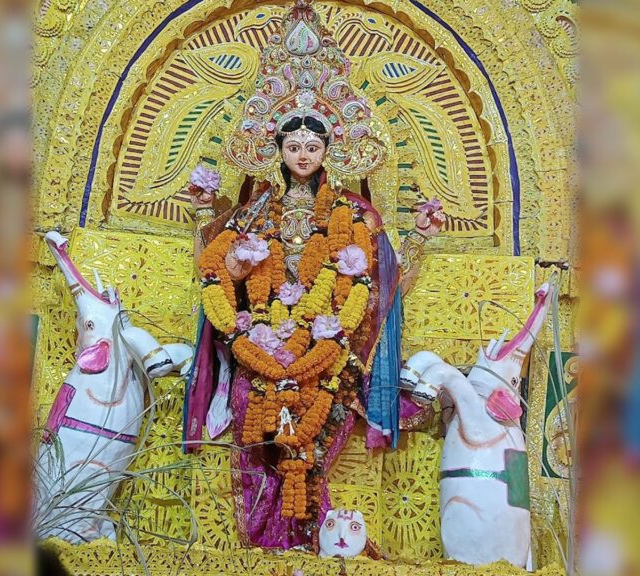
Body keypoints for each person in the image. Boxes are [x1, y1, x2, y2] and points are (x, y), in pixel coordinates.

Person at [182, 0, 444, 550]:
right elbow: (215, 278)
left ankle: (312, 542)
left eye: (313, 146)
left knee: (312, 448)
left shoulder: (352, 214)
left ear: (330, 151)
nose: (303, 154)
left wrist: (417, 236)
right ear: (276, 151)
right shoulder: (255, 213)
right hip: (259, 348)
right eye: (293, 145)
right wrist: (211, 223)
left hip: (329, 355)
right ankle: (265, 546)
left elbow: (381, 286)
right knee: (259, 444)